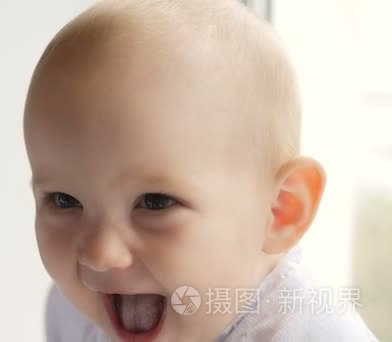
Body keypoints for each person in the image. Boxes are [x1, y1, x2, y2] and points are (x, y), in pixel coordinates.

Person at [23, 0, 378, 340]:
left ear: (281, 210)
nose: (100, 254)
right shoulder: (73, 314)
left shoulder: (311, 332)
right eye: (64, 200)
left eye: (155, 202)